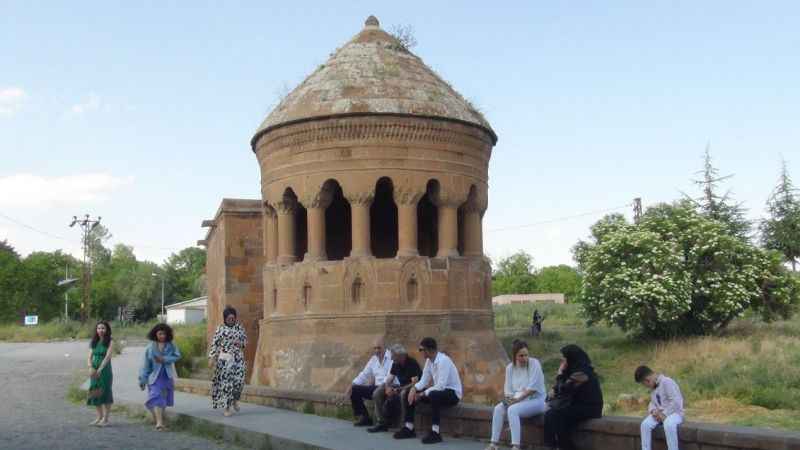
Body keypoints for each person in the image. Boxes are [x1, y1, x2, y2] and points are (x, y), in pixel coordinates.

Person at [394, 337, 462, 444]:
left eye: (422, 349)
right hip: (439, 391)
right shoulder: (429, 361)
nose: (420, 352)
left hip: (453, 393)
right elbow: (424, 380)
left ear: (430, 350)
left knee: (434, 394)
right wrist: (414, 389)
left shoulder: (444, 361)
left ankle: (435, 432)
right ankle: (409, 428)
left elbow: (441, 386)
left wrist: (422, 394)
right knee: (409, 392)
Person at [486, 339, 547, 450]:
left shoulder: (534, 364)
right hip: (517, 399)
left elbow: (532, 389)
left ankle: (515, 446)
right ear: (515, 356)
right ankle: (494, 444)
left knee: (512, 410)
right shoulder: (510, 368)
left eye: (526, 355)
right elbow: (508, 390)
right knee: (498, 409)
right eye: (521, 356)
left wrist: (516, 400)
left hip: (536, 401)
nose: (524, 358)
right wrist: (510, 400)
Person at [543, 344, 603, 450]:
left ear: (572, 358)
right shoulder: (572, 370)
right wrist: (555, 388)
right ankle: (551, 446)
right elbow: (560, 388)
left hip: (590, 407)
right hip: (576, 405)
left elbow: (565, 389)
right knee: (550, 415)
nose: (562, 362)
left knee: (556, 416)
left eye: (564, 359)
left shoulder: (583, 372)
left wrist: (559, 374)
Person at [367, 343, 422, 433]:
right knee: (377, 392)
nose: (392, 358)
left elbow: (415, 383)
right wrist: (387, 387)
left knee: (403, 394)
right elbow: (389, 379)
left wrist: (398, 390)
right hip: (400, 386)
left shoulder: (412, 363)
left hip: (411, 387)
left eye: (393, 356)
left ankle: (404, 426)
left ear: (400, 356)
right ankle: (382, 423)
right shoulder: (396, 363)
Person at [139, 323, 181, 431]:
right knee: (156, 397)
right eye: (160, 334)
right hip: (154, 377)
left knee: (163, 400)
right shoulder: (150, 348)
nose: (162, 336)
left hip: (167, 377)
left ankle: (159, 420)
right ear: (155, 334)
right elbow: (145, 366)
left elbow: (177, 356)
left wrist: (165, 359)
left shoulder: (171, 345)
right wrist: (142, 380)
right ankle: (159, 423)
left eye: (164, 334)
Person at [208, 306, 248, 417]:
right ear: (225, 318)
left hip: (238, 359)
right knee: (227, 385)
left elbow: (245, 341)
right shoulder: (220, 329)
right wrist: (211, 357)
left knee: (239, 382)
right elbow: (215, 344)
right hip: (225, 360)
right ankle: (227, 408)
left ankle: (235, 400)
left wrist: (241, 343)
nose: (231, 320)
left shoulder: (239, 328)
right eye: (229, 318)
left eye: (233, 318)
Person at [345, 337, 393, 427]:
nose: (377, 350)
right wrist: (352, 384)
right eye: (375, 348)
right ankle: (364, 417)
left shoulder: (391, 357)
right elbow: (364, 374)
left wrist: (381, 386)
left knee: (377, 391)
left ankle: (382, 422)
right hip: (376, 387)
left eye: (379, 348)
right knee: (354, 389)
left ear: (384, 347)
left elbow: (390, 376)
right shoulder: (373, 359)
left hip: (388, 386)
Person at [636, 366, 684, 450]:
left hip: (675, 413)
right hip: (659, 413)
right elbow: (652, 402)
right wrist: (653, 410)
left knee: (668, 424)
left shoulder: (667, 382)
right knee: (645, 425)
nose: (646, 387)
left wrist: (664, 414)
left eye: (644, 384)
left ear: (647, 380)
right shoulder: (653, 386)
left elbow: (676, 401)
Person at [87, 321, 114, 427]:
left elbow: (107, 357)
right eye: (99, 328)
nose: (101, 330)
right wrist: (90, 367)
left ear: (107, 330)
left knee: (105, 391)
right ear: (96, 330)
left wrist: (100, 369)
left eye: (103, 328)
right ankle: (99, 417)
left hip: (105, 370)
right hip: (94, 368)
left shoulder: (110, 341)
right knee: (95, 392)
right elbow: (89, 357)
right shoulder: (93, 341)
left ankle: (106, 419)